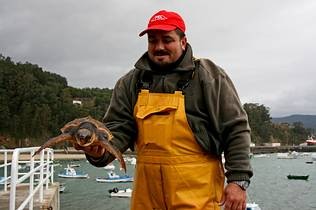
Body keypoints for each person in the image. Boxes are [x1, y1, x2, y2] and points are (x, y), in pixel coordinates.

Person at [81, 10, 253, 210]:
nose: (159, 47)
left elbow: (235, 128)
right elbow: (118, 130)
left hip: (198, 193)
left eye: (167, 39)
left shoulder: (209, 76)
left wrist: (238, 180)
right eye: (153, 40)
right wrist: (97, 151)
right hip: (147, 195)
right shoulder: (130, 82)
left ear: (183, 41)